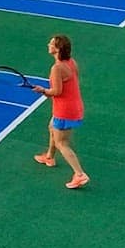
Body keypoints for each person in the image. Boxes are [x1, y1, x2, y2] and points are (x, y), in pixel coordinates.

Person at [31, 34, 89, 189]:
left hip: (64, 111)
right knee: (52, 127)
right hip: (74, 106)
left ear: (57, 49)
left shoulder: (56, 68)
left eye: (51, 44)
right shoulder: (71, 62)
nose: (48, 45)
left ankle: (79, 174)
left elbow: (56, 91)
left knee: (62, 143)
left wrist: (42, 90)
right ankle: (49, 157)